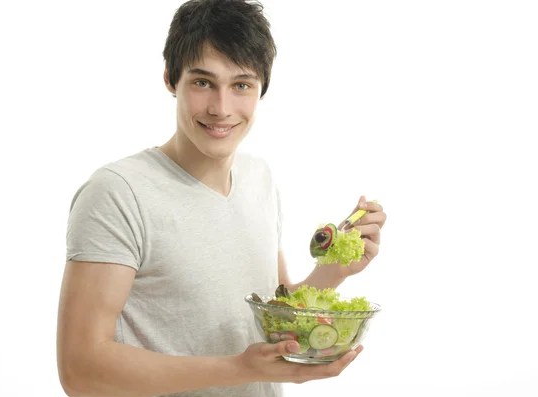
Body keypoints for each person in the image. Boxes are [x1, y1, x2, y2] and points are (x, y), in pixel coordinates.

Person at [56, 1, 387, 396]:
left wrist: (334, 272)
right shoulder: (118, 193)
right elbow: (80, 369)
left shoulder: (258, 177)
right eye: (202, 82)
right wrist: (238, 367)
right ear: (170, 78)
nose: (221, 108)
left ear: (262, 90)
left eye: (241, 85)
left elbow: (276, 310)